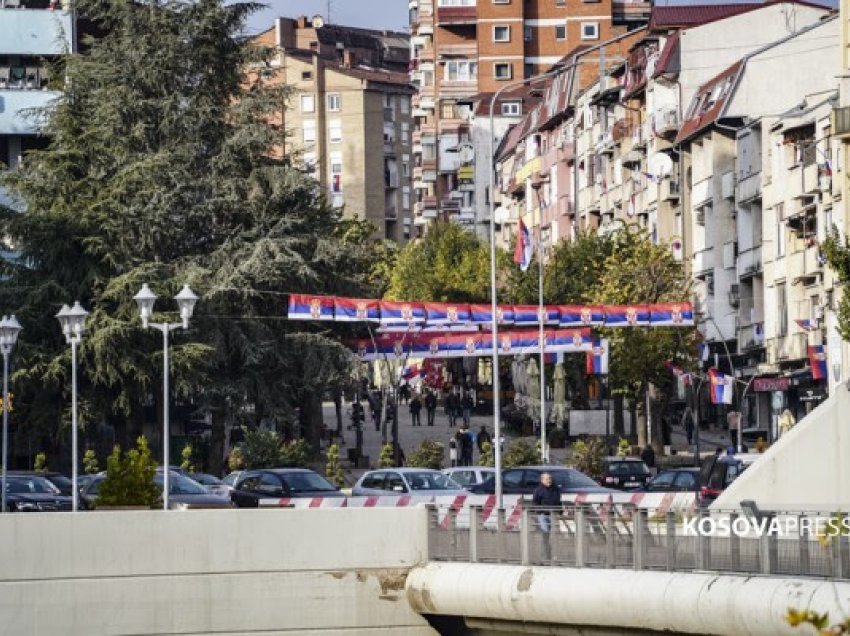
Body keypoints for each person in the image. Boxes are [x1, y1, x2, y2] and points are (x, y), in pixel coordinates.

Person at [531, 472, 561, 562]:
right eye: (547, 479)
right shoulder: (538, 490)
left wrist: (561, 511)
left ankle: (550, 556)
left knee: (553, 535)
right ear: (542, 480)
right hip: (543, 515)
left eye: (550, 478)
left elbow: (558, 501)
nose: (549, 480)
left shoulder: (555, 489)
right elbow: (535, 502)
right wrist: (540, 511)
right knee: (545, 534)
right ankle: (544, 556)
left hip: (553, 515)